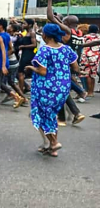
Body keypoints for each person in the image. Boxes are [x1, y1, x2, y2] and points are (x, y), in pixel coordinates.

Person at [24, 24, 79, 157]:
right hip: (63, 88)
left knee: (39, 115)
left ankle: (53, 142)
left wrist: (31, 68)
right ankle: (51, 148)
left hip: (46, 88)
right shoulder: (66, 49)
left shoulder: (44, 50)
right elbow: (76, 68)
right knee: (51, 116)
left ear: (46, 35)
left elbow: (42, 72)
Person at [46, 0, 86, 126]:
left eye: (64, 21)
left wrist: (50, 0)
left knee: (59, 90)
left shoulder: (67, 31)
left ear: (67, 23)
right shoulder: (80, 34)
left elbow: (50, 17)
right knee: (63, 90)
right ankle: (75, 112)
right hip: (73, 62)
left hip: (62, 64)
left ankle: (63, 118)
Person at [16, 19, 37, 94]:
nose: (23, 25)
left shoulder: (32, 33)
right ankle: (24, 89)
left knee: (20, 73)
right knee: (20, 73)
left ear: (30, 25)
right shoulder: (26, 33)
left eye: (25, 24)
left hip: (28, 55)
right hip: (25, 54)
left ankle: (20, 93)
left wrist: (23, 46)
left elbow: (34, 45)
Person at [80, 24, 99, 96]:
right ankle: (91, 92)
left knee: (87, 75)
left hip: (86, 57)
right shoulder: (98, 37)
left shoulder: (85, 37)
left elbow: (81, 46)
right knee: (93, 75)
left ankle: (87, 92)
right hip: (96, 58)